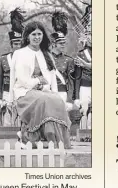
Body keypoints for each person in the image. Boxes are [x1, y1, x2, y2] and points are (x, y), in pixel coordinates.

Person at [10, 21, 73, 149]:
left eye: (40, 34)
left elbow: (51, 80)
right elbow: (22, 80)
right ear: (27, 36)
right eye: (34, 34)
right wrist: (38, 81)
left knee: (56, 100)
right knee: (44, 100)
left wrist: (54, 93)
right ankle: (28, 136)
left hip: (43, 91)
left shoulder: (47, 54)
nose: (37, 37)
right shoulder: (20, 53)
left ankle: (51, 138)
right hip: (23, 92)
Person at [0, 31, 22, 126]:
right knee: (6, 120)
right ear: (11, 44)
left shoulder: (26, 59)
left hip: (20, 92)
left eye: (20, 44)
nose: (18, 46)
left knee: (20, 120)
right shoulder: (4, 59)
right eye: (15, 44)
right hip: (6, 93)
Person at [72, 30, 93, 132]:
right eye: (90, 34)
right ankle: (83, 134)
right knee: (84, 110)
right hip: (85, 86)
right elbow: (77, 77)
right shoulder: (81, 54)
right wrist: (76, 96)